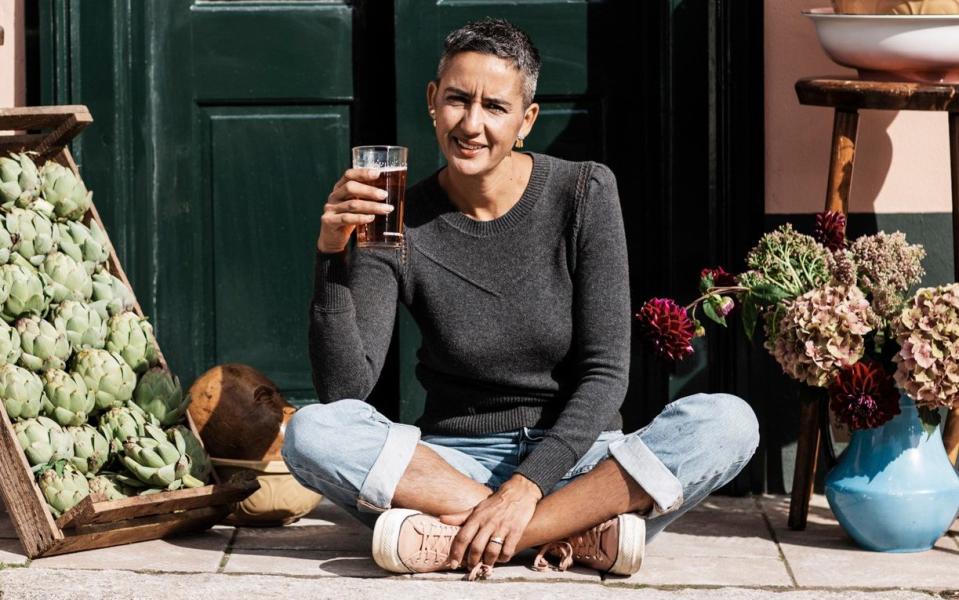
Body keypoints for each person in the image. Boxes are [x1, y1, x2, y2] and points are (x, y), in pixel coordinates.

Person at [281, 17, 759, 582]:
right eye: (457, 100)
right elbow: (346, 390)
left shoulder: (583, 192)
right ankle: (576, 536)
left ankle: (471, 537)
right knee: (311, 431)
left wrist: (523, 492)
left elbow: (607, 374)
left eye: (495, 107)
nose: (472, 124)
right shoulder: (395, 218)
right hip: (453, 461)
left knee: (729, 421)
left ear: (526, 120)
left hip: (581, 459)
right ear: (433, 101)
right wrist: (332, 256)